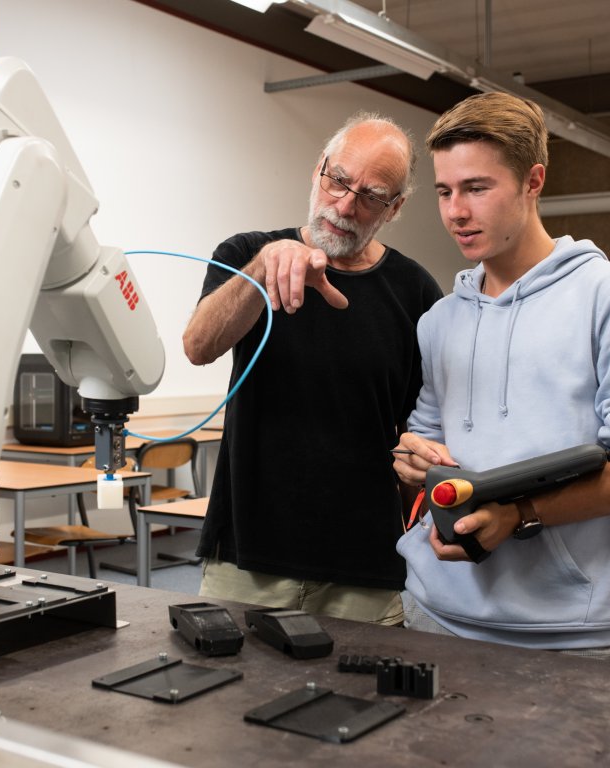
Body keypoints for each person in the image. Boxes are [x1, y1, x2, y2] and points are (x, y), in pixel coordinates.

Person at [392, 92, 610, 661]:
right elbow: (426, 443)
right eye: (445, 191)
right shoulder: (439, 320)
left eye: (477, 188)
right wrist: (414, 462)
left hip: (569, 636)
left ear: (533, 181)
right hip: (433, 614)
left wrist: (520, 514)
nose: (456, 211)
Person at [182, 112, 443, 625]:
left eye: (371, 196)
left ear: (394, 208)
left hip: (365, 567)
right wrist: (263, 267)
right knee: (223, 677)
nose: (344, 206)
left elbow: (420, 434)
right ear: (318, 169)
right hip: (247, 556)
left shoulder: (415, 291)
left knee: (368, 681)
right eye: (338, 180)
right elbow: (198, 345)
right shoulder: (245, 253)